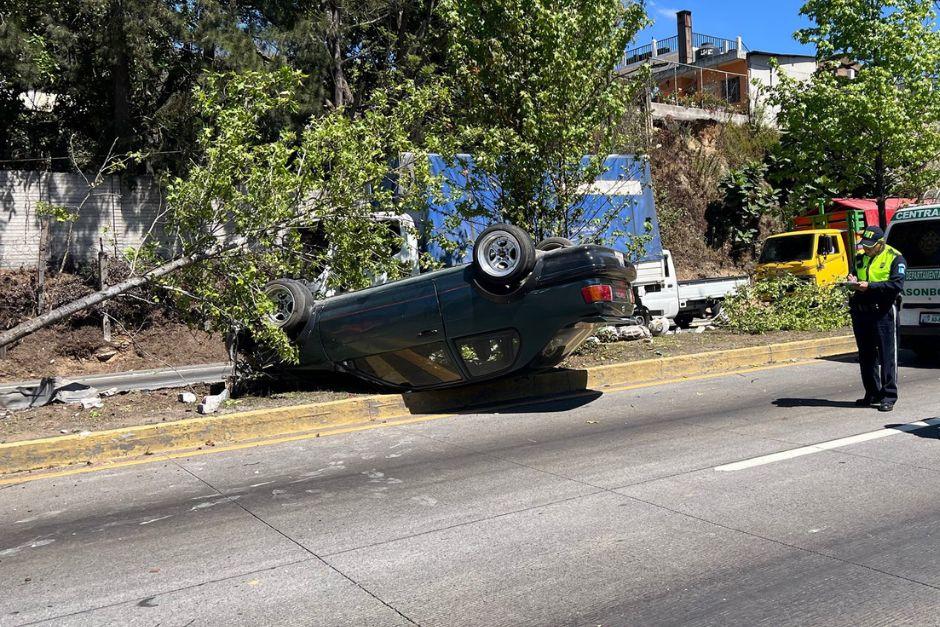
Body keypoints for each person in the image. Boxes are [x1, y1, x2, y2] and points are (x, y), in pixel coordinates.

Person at [846, 226, 906, 412]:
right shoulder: (859, 257)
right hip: (861, 311)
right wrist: (851, 279)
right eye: (864, 245)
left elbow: (896, 284)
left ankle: (888, 396)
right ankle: (872, 393)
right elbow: (855, 274)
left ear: (881, 244)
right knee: (866, 355)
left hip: (883, 310)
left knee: (888, 355)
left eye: (870, 246)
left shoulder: (895, 257)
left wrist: (870, 286)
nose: (866, 249)